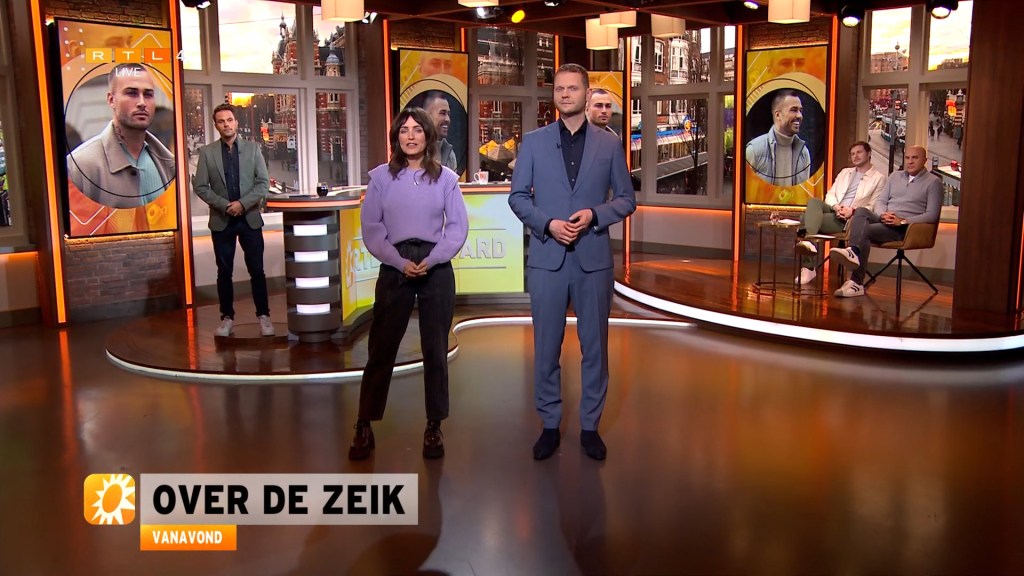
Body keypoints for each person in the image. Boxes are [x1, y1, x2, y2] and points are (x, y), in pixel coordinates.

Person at [508, 63, 636, 461]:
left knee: (595, 349)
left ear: (586, 93)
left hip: (592, 260)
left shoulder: (609, 145)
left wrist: (595, 215)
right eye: (559, 89)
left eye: (573, 88)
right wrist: (548, 224)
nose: (565, 94)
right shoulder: (533, 142)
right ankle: (550, 424)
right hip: (547, 259)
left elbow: (626, 199)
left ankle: (590, 427)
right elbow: (517, 197)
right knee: (546, 348)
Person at [348, 107, 468, 461]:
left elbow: (457, 228)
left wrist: (432, 259)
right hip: (394, 263)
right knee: (381, 348)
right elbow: (372, 230)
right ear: (396, 137)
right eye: (404, 130)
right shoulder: (380, 179)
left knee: (435, 349)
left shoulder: (446, 179)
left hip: (436, 265)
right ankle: (364, 423)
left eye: (417, 130)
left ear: (428, 136)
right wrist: (400, 263)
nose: (411, 136)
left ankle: (434, 426)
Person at [192, 103, 274, 337]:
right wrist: (225, 206)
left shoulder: (253, 149)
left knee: (257, 270)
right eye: (221, 121)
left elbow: (263, 183)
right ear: (216, 125)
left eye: (229, 120)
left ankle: (264, 316)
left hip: (249, 219)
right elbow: (200, 186)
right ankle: (226, 318)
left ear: (236, 122)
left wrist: (242, 204)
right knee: (224, 272)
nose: (226, 124)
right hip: (222, 220)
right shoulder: (207, 153)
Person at [66, 63, 176, 236]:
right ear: (111, 100)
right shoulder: (80, 165)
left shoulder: (168, 163)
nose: (142, 103)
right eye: (132, 93)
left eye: (148, 94)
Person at [829, 145, 943, 297]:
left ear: (924, 160)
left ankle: (856, 282)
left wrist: (903, 221)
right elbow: (880, 202)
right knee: (861, 211)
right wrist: (883, 214)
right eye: (907, 158)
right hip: (885, 219)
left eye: (915, 158)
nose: (910, 161)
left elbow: (932, 215)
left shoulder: (934, 182)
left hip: (905, 228)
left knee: (864, 231)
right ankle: (854, 252)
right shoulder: (894, 176)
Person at [793, 141, 886, 285]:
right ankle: (809, 245)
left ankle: (809, 265)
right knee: (814, 202)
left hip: (852, 218)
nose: (855, 156)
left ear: (868, 154)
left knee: (804, 219)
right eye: (853, 154)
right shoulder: (845, 172)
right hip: (835, 210)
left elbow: (873, 206)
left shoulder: (878, 178)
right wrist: (836, 207)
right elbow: (830, 194)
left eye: (859, 152)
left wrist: (852, 210)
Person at [745, 90, 811, 186]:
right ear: (778, 115)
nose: (799, 116)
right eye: (794, 110)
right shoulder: (754, 150)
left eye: (800, 111)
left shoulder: (804, 153)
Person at [423, 91, 458, 172]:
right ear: (427, 116)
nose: (448, 119)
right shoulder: (416, 150)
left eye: (448, 114)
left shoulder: (450, 154)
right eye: (442, 113)